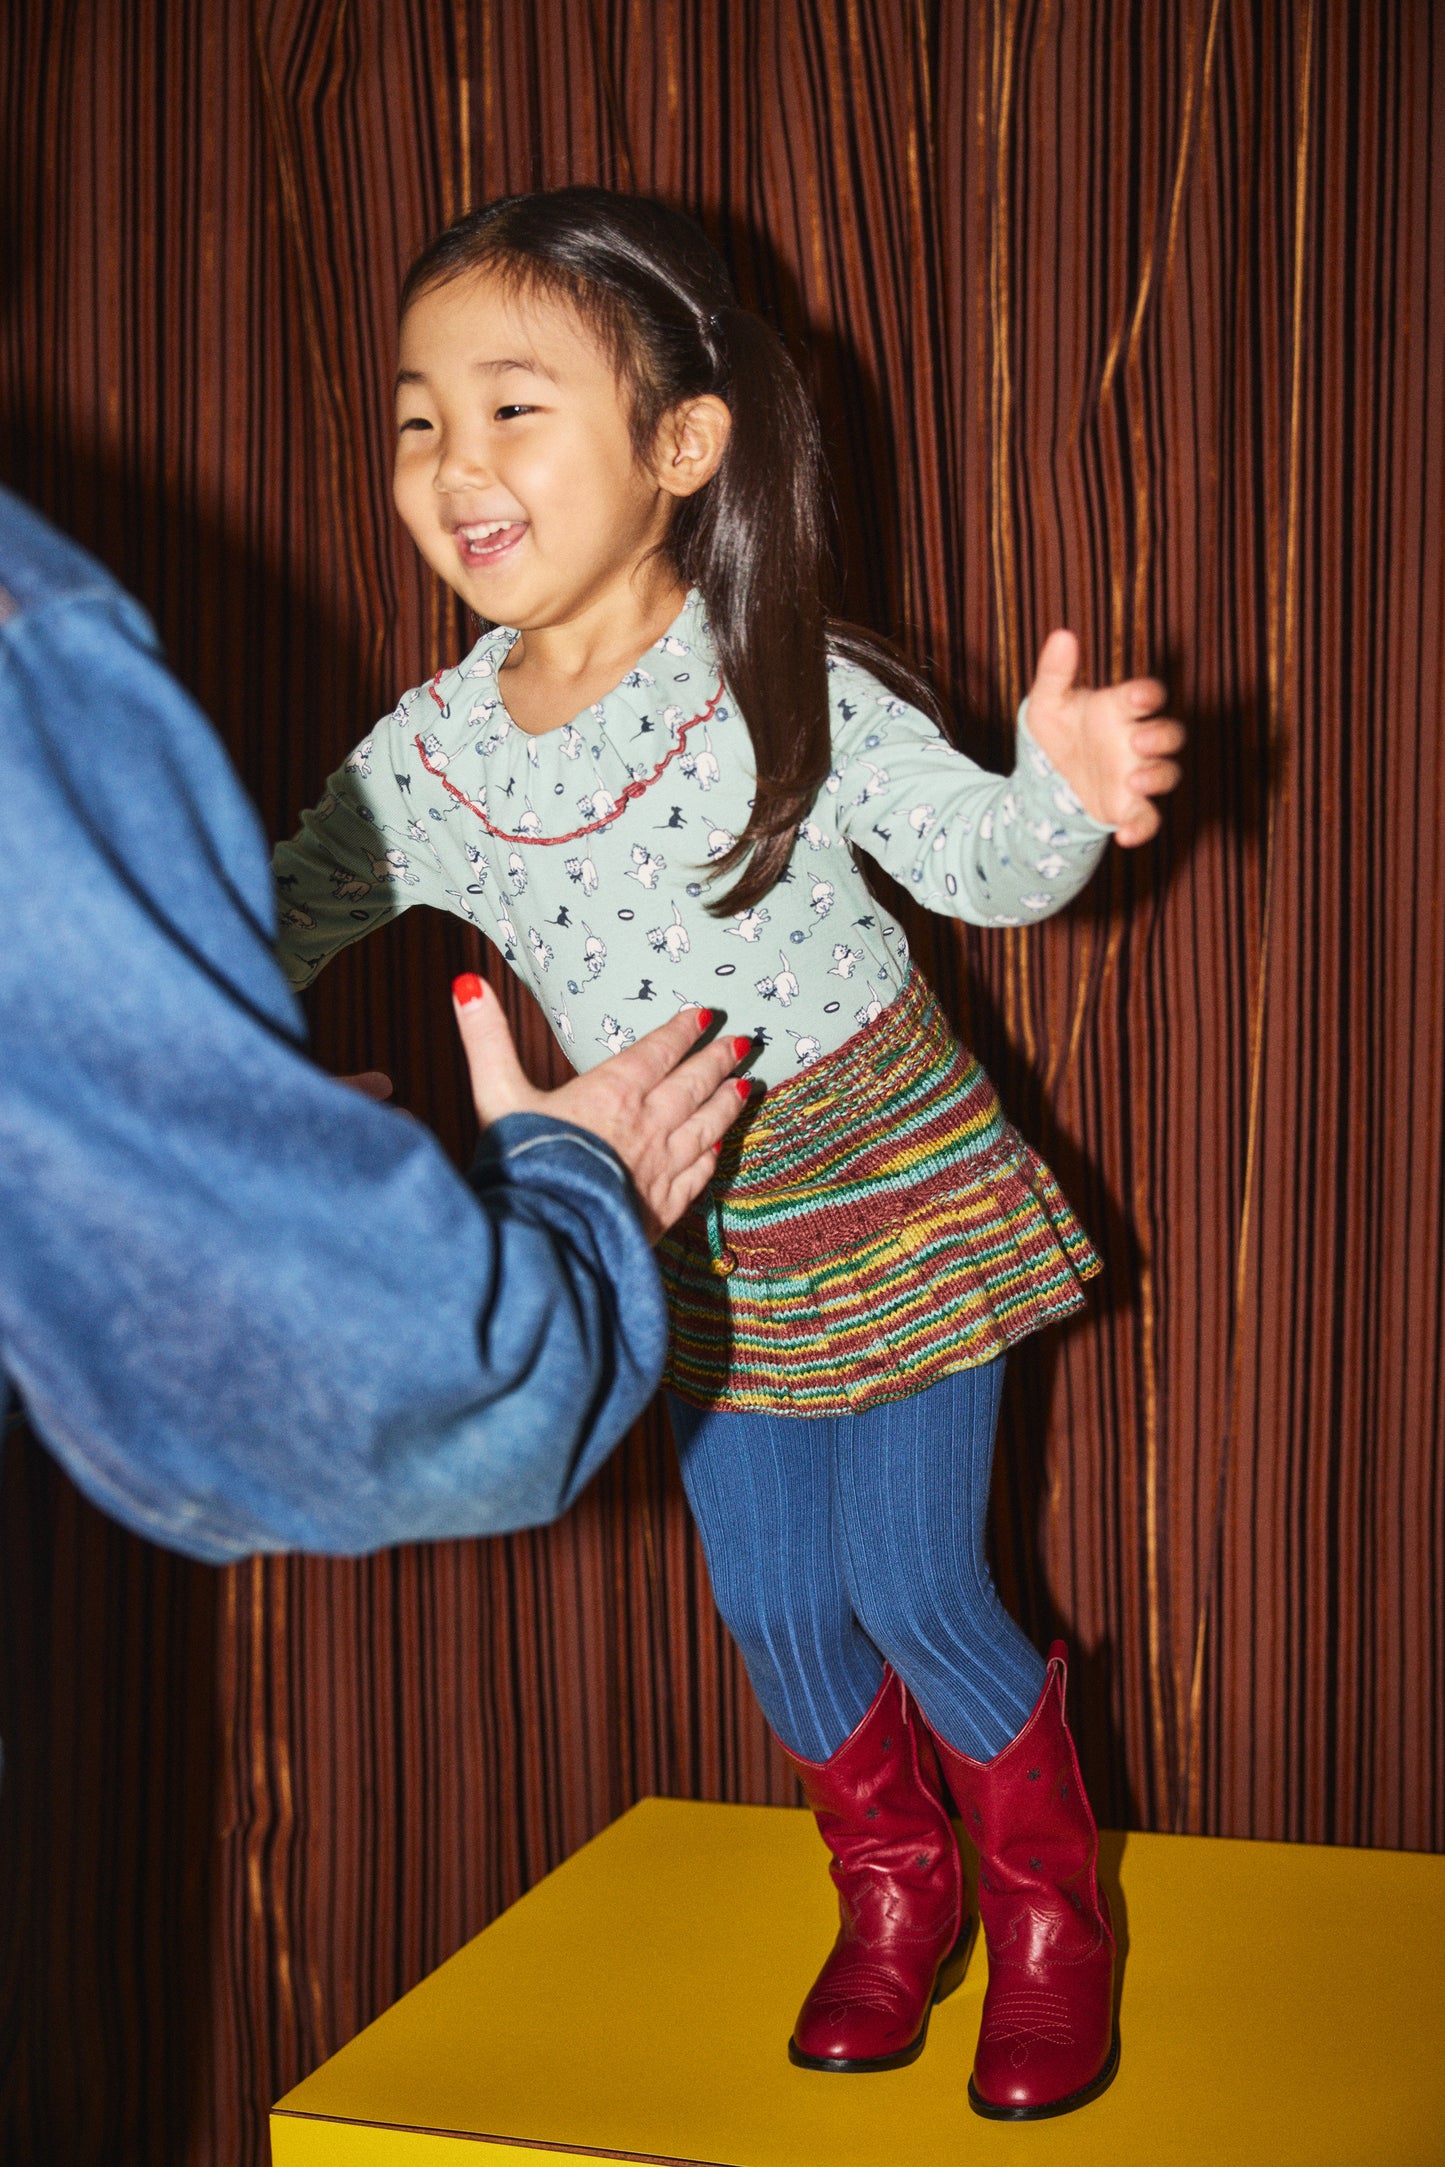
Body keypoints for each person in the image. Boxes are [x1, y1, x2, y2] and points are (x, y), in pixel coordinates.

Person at [272, 189, 1185, 2119]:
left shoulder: (784, 679)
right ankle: (890, 1887)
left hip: (888, 1173)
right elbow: (259, 927)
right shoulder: (424, 761)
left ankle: (1047, 1913)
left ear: (682, 448)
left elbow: (990, 871)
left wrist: (1069, 799)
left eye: (516, 407)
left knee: (916, 1575)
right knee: (771, 1601)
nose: (453, 464)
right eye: (420, 416)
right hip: (672, 1213)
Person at [0, 484, 747, 1563]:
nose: (459, 468)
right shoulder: (33, 638)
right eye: (421, 422)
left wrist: (213, 1144)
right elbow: (369, 1381)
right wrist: (580, 1194)